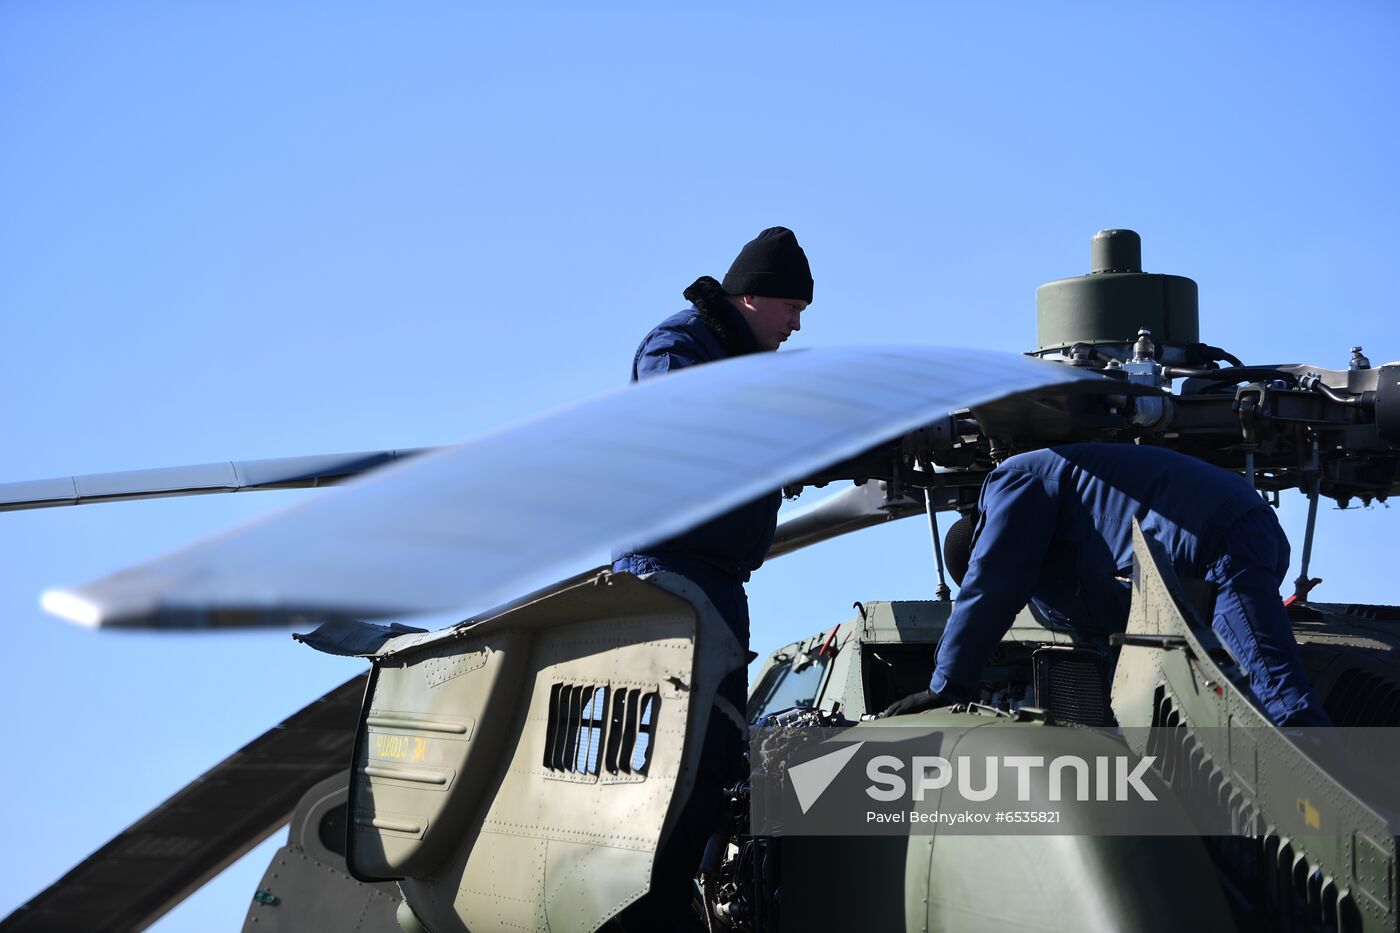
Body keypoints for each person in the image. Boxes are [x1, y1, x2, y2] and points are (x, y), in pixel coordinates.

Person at [609, 226, 812, 929]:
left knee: (719, 757)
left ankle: (676, 900)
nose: (796, 324)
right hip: (669, 580)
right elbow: (680, 421)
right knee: (680, 757)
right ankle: (647, 905)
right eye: (791, 306)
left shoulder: (745, 362)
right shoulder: (681, 346)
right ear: (750, 297)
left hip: (718, 585)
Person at [882, 442, 1331, 728]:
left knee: (1277, 699)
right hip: (1231, 539)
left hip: (1214, 543)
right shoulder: (1077, 554)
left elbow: (993, 584)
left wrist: (947, 686)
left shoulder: (1016, 478)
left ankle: (1329, 809)